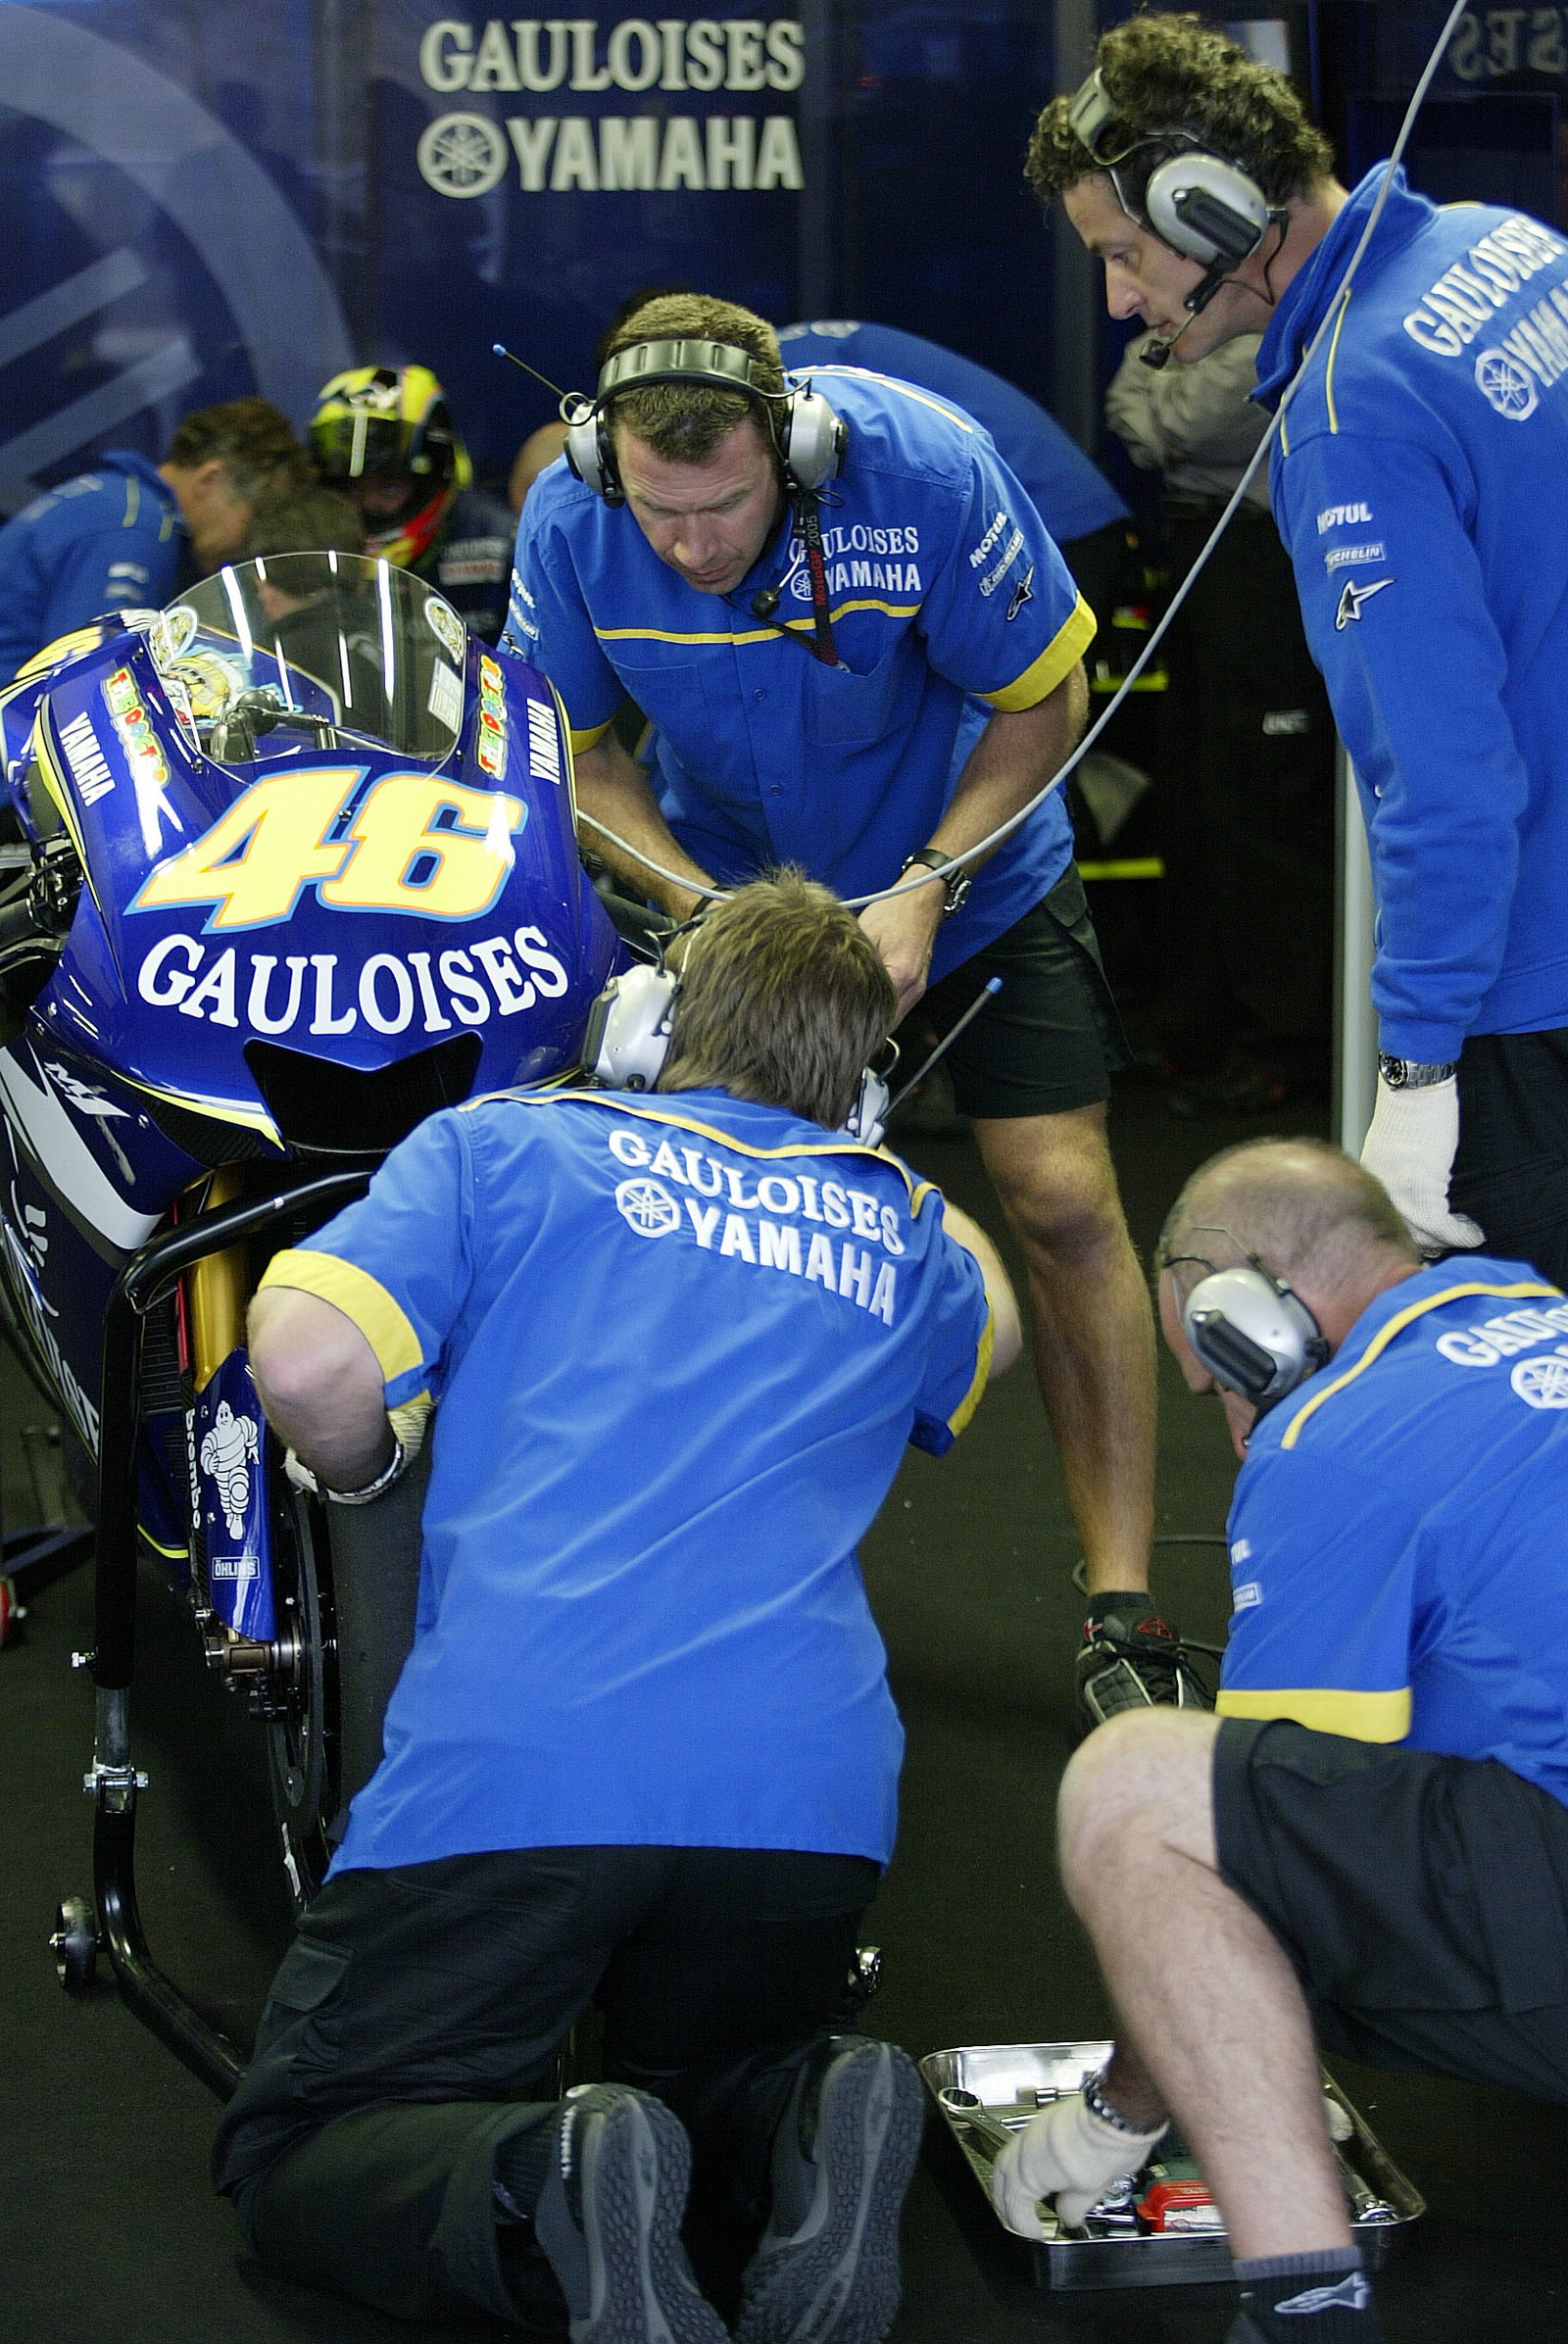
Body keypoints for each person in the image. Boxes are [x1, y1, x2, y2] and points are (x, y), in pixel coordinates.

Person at [212, 870, 1022, 2344]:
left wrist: (361, 1471)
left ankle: (542, 2180)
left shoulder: (505, 1149)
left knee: (297, 2153)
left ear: (644, 1026)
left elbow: (313, 1366)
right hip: (807, 1805)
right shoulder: (899, 1224)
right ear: (864, 1094)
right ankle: (799, 2101)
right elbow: (998, 1323)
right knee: (701, 2105)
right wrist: (869, 1163)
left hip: (524, 1774)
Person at [508, 287, 1194, 1729]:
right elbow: (574, 756)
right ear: (602, 465)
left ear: (796, 445)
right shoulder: (571, 528)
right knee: (691, 1227)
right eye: (660, 513)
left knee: (1060, 1196)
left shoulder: (928, 472)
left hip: (972, 873)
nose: (693, 549)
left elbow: (1041, 704)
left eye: (727, 507)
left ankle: (1125, 1603)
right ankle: (687, 1593)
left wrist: (932, 882)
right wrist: (705, 915)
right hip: (728, 898)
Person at [991, 1135, 1568, 2344]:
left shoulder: (1333, 1440)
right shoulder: (1535, 1303)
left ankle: (1302, 2305)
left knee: (1141, 1784)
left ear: (1249, 1311)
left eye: (1220, 1378)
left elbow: (1257, 1863)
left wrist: (1121, 2110)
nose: (1240, 1432)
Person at [1027, 11, 1568, 1287]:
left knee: (1509, 1438)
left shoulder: (1347, 417)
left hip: (1524, 993)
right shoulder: (1508, 247)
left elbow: (1442, 779)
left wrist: (1419, 1065)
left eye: (1120, 254)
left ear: (1214, 211)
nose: (1117, 298)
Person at [1104, 330, 1334, 1111]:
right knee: (1195, 804)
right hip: (1194, 547)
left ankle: (1289, 1046)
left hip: (1268, 558)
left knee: (1266, 814)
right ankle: (1199, 1030)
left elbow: (1193, 422)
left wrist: (1168, 409)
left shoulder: (1282, 320)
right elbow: (1128, 407)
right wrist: (1168, 409)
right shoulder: (1183, 320)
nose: (1133, 294)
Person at [0, 397, 306, 685]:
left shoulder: (117, 500)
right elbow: (87, 681)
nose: (247, 543)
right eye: (255, 516)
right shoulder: (135, 531)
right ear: (211, 479)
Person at [311, 365, 514, 643]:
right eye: (351, 489)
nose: (368, 504)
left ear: (429, 479)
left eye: (388, 487)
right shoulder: (309, 549)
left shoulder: (500, 546)